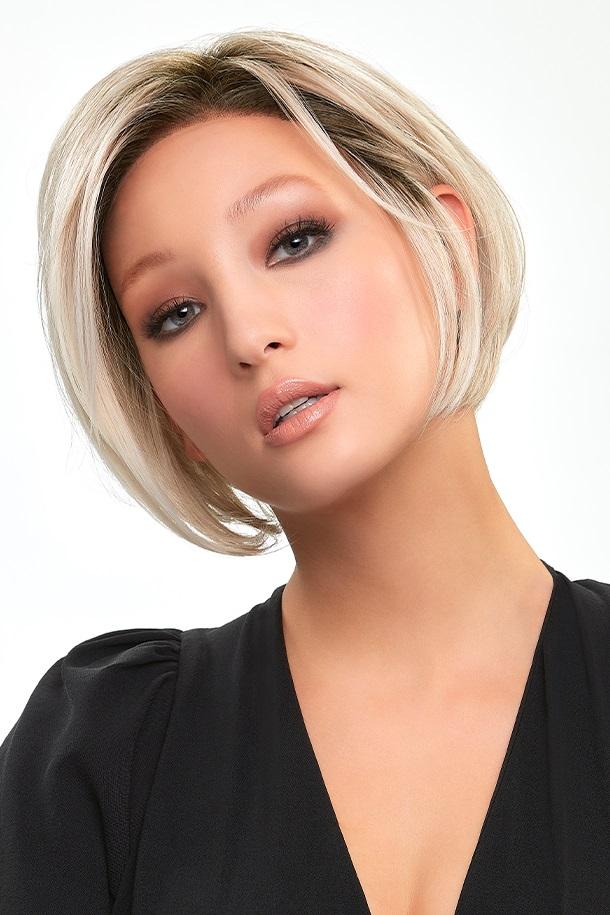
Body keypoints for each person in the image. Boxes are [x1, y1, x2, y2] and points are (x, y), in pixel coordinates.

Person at [1, 26, 609, 915]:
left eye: (294, 240)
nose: (248, 336)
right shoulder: (102, 753)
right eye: (175, 313)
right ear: (166, 412)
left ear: (444, 245)